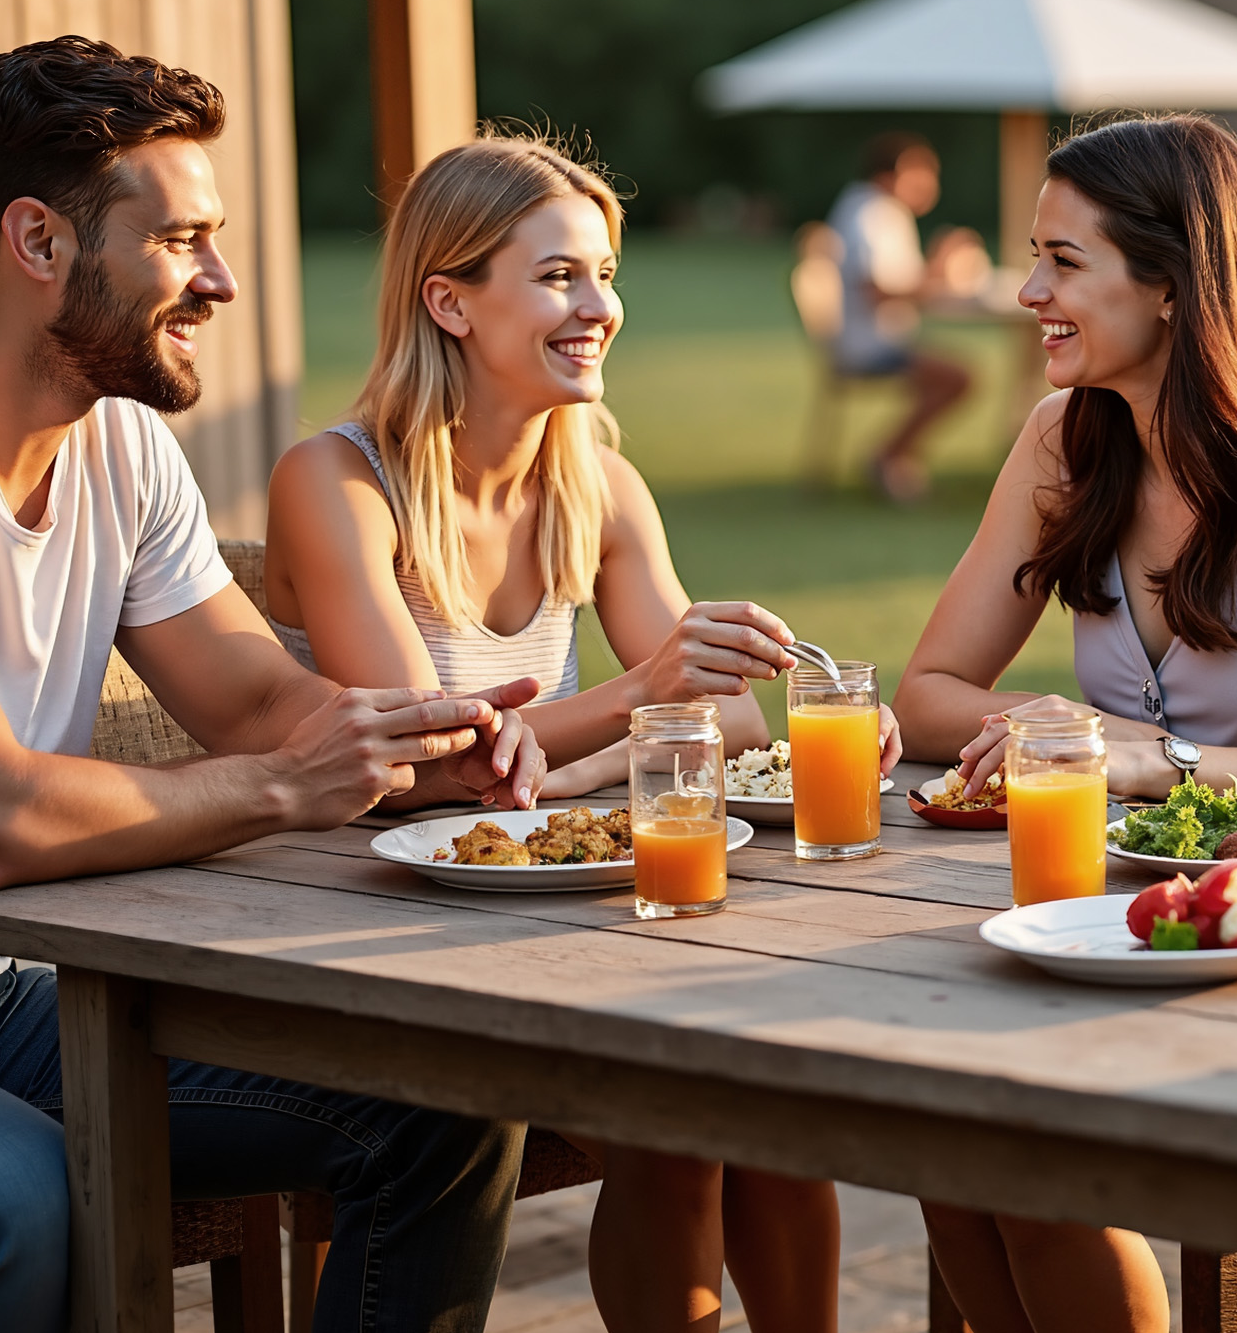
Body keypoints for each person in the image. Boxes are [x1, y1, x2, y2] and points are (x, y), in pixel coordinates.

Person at [0, 37, 544, 1333]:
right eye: (182, 239)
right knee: (6, 1208)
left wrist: (412, 747)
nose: (222, 280)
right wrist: (291, 786)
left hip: (10, 995)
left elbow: (250, 698)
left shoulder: (119, 440)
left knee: (439, 1102)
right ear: (38, 242)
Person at [266, 134, 899, 1333]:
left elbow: (723, 730)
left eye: (605, 274)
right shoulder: (338, 484)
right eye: (560, 276)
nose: (600, 306)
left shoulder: (596, 484)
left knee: (770, 1095)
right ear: (448, 300)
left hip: (550, 896)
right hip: (364, 929)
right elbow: (422, 766)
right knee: (681, 1117)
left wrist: (795, 728)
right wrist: (633, 703)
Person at [895, 115, 1237, 1333]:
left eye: (1063, 262)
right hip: (1074, 910)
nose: (1028, 292)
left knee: (1019, 1159)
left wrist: (1152, 757)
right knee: (941, 1140)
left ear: (1174, 285)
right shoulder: (1061, 442)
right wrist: (1039, 712)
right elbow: (926, 695)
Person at [830, 132, 977, 504]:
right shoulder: (869, 214)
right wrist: (940, 270)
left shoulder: (878, 212)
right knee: (958, 377)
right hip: (871, 345)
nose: (930, 184)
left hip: (883, 338)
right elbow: (878, 290)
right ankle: (888, 455)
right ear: (893, 174)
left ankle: (895, 456)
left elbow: (900, 283)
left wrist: (933, 273)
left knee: (955, 374)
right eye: (923, 173)